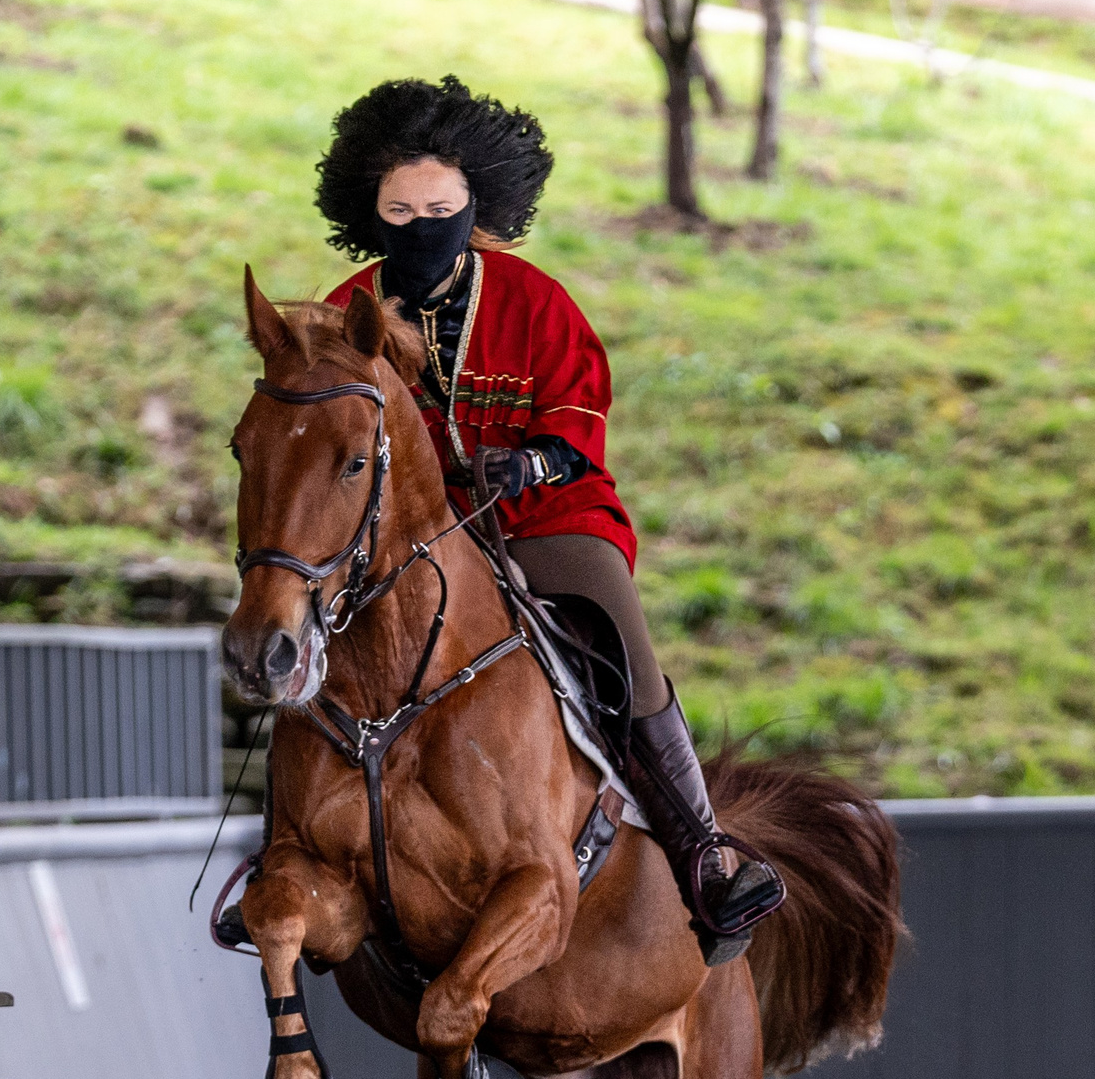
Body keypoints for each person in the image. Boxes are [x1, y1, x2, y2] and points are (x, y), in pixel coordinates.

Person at [314, 77, 783, 966]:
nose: (421, 227)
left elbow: (577, 411)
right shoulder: (346, 313)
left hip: (547, 515)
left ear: (476, 206)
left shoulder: (535, 300)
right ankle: (293, 852)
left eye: (440, 210)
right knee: (313, 642)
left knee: (621, 644)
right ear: (368, 211)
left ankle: (704, 854)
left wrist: (530, 462)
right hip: (413, 542)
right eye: (400, 211)